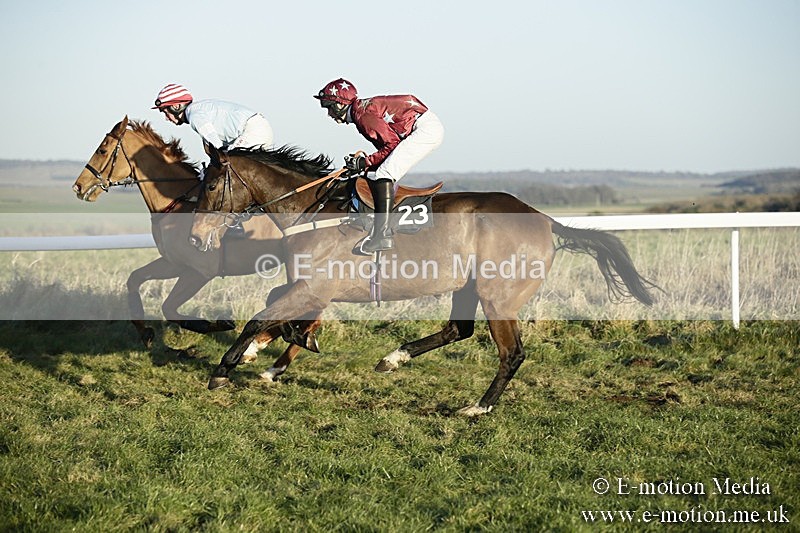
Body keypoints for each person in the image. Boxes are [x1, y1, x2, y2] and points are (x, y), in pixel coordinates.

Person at [314, 78, 444, 253]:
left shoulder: (363, 115)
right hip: (422, 126)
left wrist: (365, 162)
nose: (329, 114)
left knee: (384, 173)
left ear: (339, 105)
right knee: (375, 173)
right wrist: (367, 164)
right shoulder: (361, 112)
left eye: (329, 107)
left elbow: (392, 145)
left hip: (424, 130)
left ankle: (381, 236)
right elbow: (388, 147)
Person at [152, 83, 274, 154]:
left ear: (176, 107)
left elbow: (218, 147)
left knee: (231, 163)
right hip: (256, 127)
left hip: (252, 130)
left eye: (165, 112)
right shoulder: (198, 111)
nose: (166, 118)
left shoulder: (195, 116)